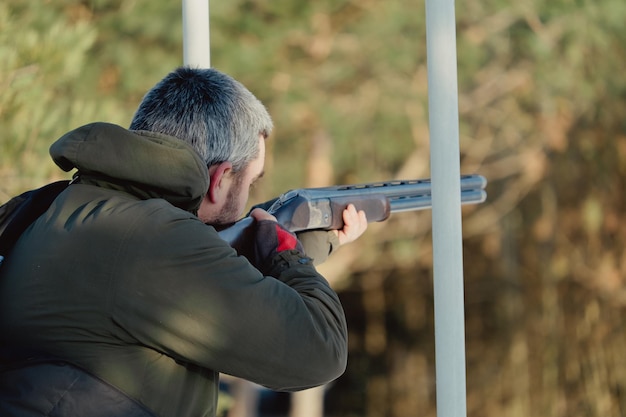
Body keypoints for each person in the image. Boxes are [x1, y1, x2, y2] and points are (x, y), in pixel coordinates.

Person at [0, 67, 367, 417]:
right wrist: (286, 255)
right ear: (220, 178)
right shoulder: (153, 238)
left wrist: (315, 244)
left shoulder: (62, 207)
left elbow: (210, 280)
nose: (249, 199)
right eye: (250, 183)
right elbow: (318, 350)